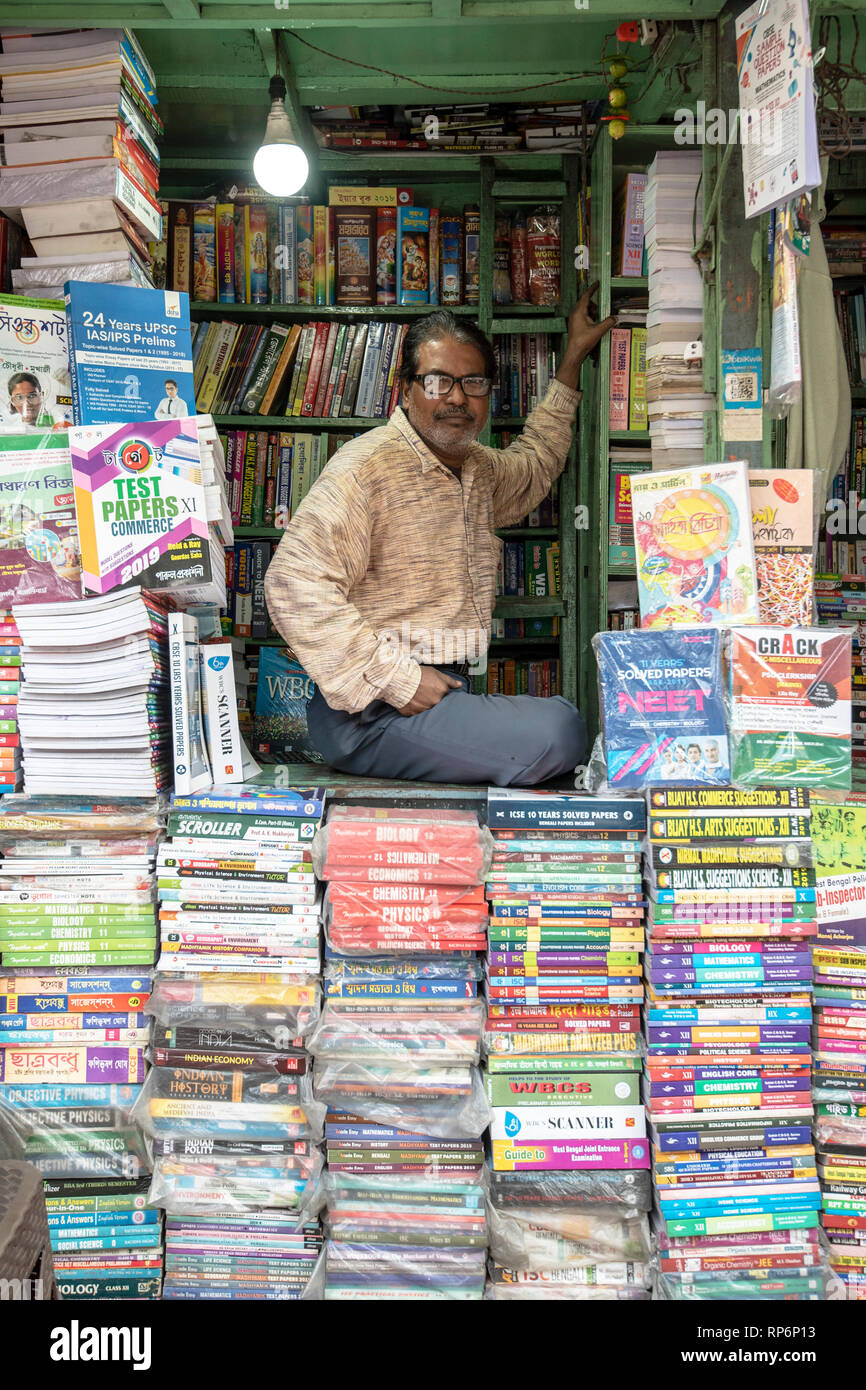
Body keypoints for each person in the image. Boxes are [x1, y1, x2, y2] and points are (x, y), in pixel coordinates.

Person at [264, 286, 616, 785]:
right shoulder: (365, 469)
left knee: (568, 728)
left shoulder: (477, 468)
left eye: (473, 382)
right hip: (371, 714)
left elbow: (537, 463)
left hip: (440, 698)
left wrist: (573, 357)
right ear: (406, 389)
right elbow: (292, 585)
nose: (456, 397)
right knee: (560, 731)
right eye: (437, 381)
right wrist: (399, 679)